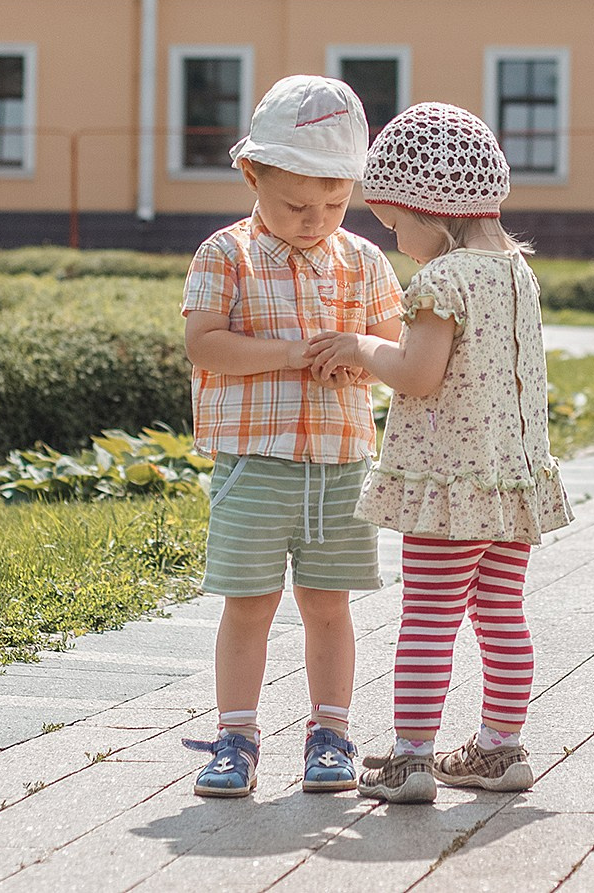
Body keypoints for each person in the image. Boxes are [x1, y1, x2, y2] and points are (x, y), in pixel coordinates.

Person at [309, 102, 574, 804]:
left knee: (429, 616)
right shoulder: (518, 273)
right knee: (501, 615)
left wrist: (363, 347)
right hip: (508, 485)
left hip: (448, 488)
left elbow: (420, 373)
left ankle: (412, 758)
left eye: (396, 226)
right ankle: (500, 746)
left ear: (429, 211)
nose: (398, 242)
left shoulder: (442, 280)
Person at [179, 74, 405, 799]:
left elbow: (393, 346)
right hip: (255, 464)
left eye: (335, 203)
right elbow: (204, 344)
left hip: (340, 463)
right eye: (295, 204)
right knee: (247, 602)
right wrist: (289, 351)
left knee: (329, 602)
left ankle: (331, 732)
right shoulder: (226, 255)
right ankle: (236, 735)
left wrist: (361, 347)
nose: (316, 219)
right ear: (252, 173)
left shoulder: (364, 260)